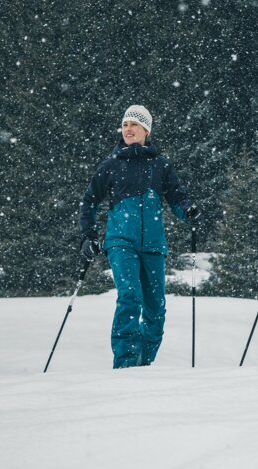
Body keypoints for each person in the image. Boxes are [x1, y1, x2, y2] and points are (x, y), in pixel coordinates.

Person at [79, 105, 201, 369]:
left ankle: (142, 365)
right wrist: (88, 235)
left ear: (146, 130)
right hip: (120, 241)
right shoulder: (111, 165)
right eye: (125, 125)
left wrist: (187, 211)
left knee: (156, 311)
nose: (128, 129)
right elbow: (89, 201)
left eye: (134, 124)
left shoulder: (160, 166)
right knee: (130, 296)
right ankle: (124, 364)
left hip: (154, 246)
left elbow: (177, 197)